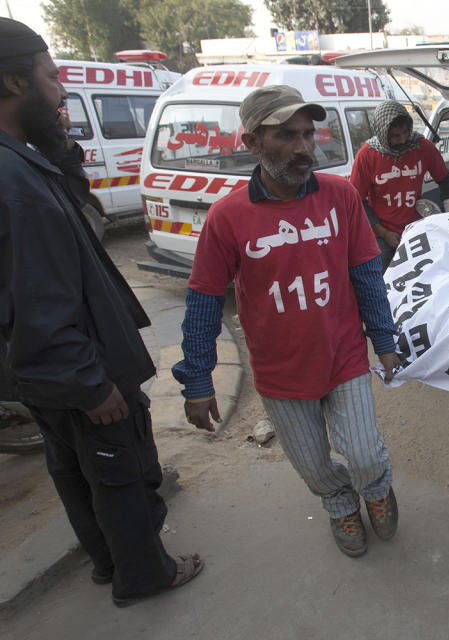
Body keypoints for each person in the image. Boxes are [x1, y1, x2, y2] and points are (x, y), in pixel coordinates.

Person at [0, 18, 203, 607]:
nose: (62, 91)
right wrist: (90, 385)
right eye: (51, 77)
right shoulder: (12, 179)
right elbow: (37, 298)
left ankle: (109, 562)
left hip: (48, 372)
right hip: (77, 369)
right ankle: (145, 574)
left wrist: (61, 152)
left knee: (72, 470)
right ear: (15, 82)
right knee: (119, 471)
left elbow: (72, 231)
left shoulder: (23, 162)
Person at [173, 85, 401, 558]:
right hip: (279, 372)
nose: (304, 147)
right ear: (253, 143)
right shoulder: (226, 216)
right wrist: (197, 378)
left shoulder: (340, 196)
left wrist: (383, 338)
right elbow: (203, 300)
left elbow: (366, 274)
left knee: (363, 454)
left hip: (343, 358)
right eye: (286, 136)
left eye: (308, 134)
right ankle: (340, 505)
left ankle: (376, 492)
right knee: (313, 465)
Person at [350, 100, 449, 271]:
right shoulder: (367, 155)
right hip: (381, 233)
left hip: (415, 227)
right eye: (395, 136)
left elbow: (445, 180)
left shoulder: (422, 147)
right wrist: (384, 233)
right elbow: (357, 201)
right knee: (383, 278)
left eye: (406, 133)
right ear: (383, 133)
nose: (402, 140)